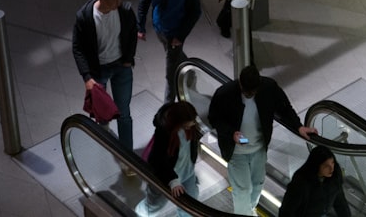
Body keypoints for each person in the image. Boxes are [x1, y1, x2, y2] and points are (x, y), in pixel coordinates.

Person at [208, 65, 317, 215]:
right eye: (246, 91)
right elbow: (214, 118)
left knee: (257, 185)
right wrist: (231, 133)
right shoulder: (225, 94)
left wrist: (298, 127)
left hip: (259, 148)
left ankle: (249, 210)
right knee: (242, 189)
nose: (249, 94)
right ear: (240, 83)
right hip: (236, 151)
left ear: (258, 86)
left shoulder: (269, 88)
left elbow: (285, 108)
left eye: (252, 92)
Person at [72, 0, 137, 153]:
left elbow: (132, 34)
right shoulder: (85, 17)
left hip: (121, 67)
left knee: (124, 113)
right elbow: (77, 48)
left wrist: (128, 59)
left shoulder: (124, 11)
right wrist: (87, 77)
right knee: (102, 114)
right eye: (115, 0)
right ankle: (105, 136)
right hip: (98, 70)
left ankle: (128, 157)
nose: (119, 2)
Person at [137, 0, 201, 103]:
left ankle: (168, 107)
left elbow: (195, 10)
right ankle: (190, 70)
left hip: (175, 31)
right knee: (175, 54)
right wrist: (141, 25)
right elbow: (144, 0)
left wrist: (180, 36)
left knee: (170, 73)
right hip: (160, 28)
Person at [141, 101, 201, 217]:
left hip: (187, 174)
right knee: (154, 206)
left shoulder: (191, 128)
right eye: (188, 124)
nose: (192, 124)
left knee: (190, 207)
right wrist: (172, 180)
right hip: (167, 177)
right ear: (178, 123)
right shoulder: (164, 133)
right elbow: (157, 160)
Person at [279, 145, 351, 217]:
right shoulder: (301, 184)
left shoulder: (334, 178)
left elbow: (341, 203)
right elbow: (287, 211)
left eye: (332, 163)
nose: (331, 169)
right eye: (326, 166)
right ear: (317, 165)